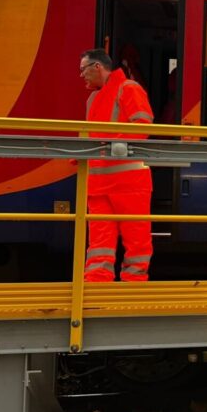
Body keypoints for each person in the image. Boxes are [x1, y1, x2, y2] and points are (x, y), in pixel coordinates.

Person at [79, 49, 155, 282]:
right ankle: (96, 282)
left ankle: (133, 284)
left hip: (126, 180)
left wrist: (116, 145)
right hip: (101, 180)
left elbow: (143, 123)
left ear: (97, 67)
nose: (82, 75)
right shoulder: (94, 97)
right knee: (101, 237)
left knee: (135, 236)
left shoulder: (128, 88)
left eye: (83, 70)